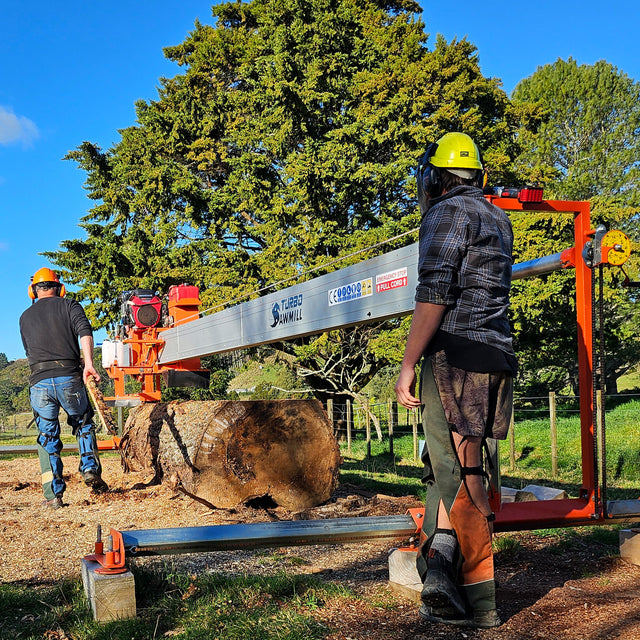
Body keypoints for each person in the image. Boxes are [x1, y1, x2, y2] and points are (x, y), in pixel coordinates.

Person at [395, 132, 516, 629]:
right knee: (466, 468)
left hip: (453, 360)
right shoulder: (498, 217)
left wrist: (408, 362)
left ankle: (477, 601)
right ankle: (444, 580)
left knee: (456, 475)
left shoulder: (445, 214)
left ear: (437, 176)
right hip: (495, 357)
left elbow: (435, 293)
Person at [20, 267, 108, 509]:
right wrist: (87, 363)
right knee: (83, 423)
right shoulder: (70, 305)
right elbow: (85, 332)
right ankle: (90, 469)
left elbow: (34, 353)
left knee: (48, 438)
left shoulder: (24, 317)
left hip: (39, 383)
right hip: (69, 379)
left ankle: (54, 496)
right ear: (59, 288)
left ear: (33, 291)